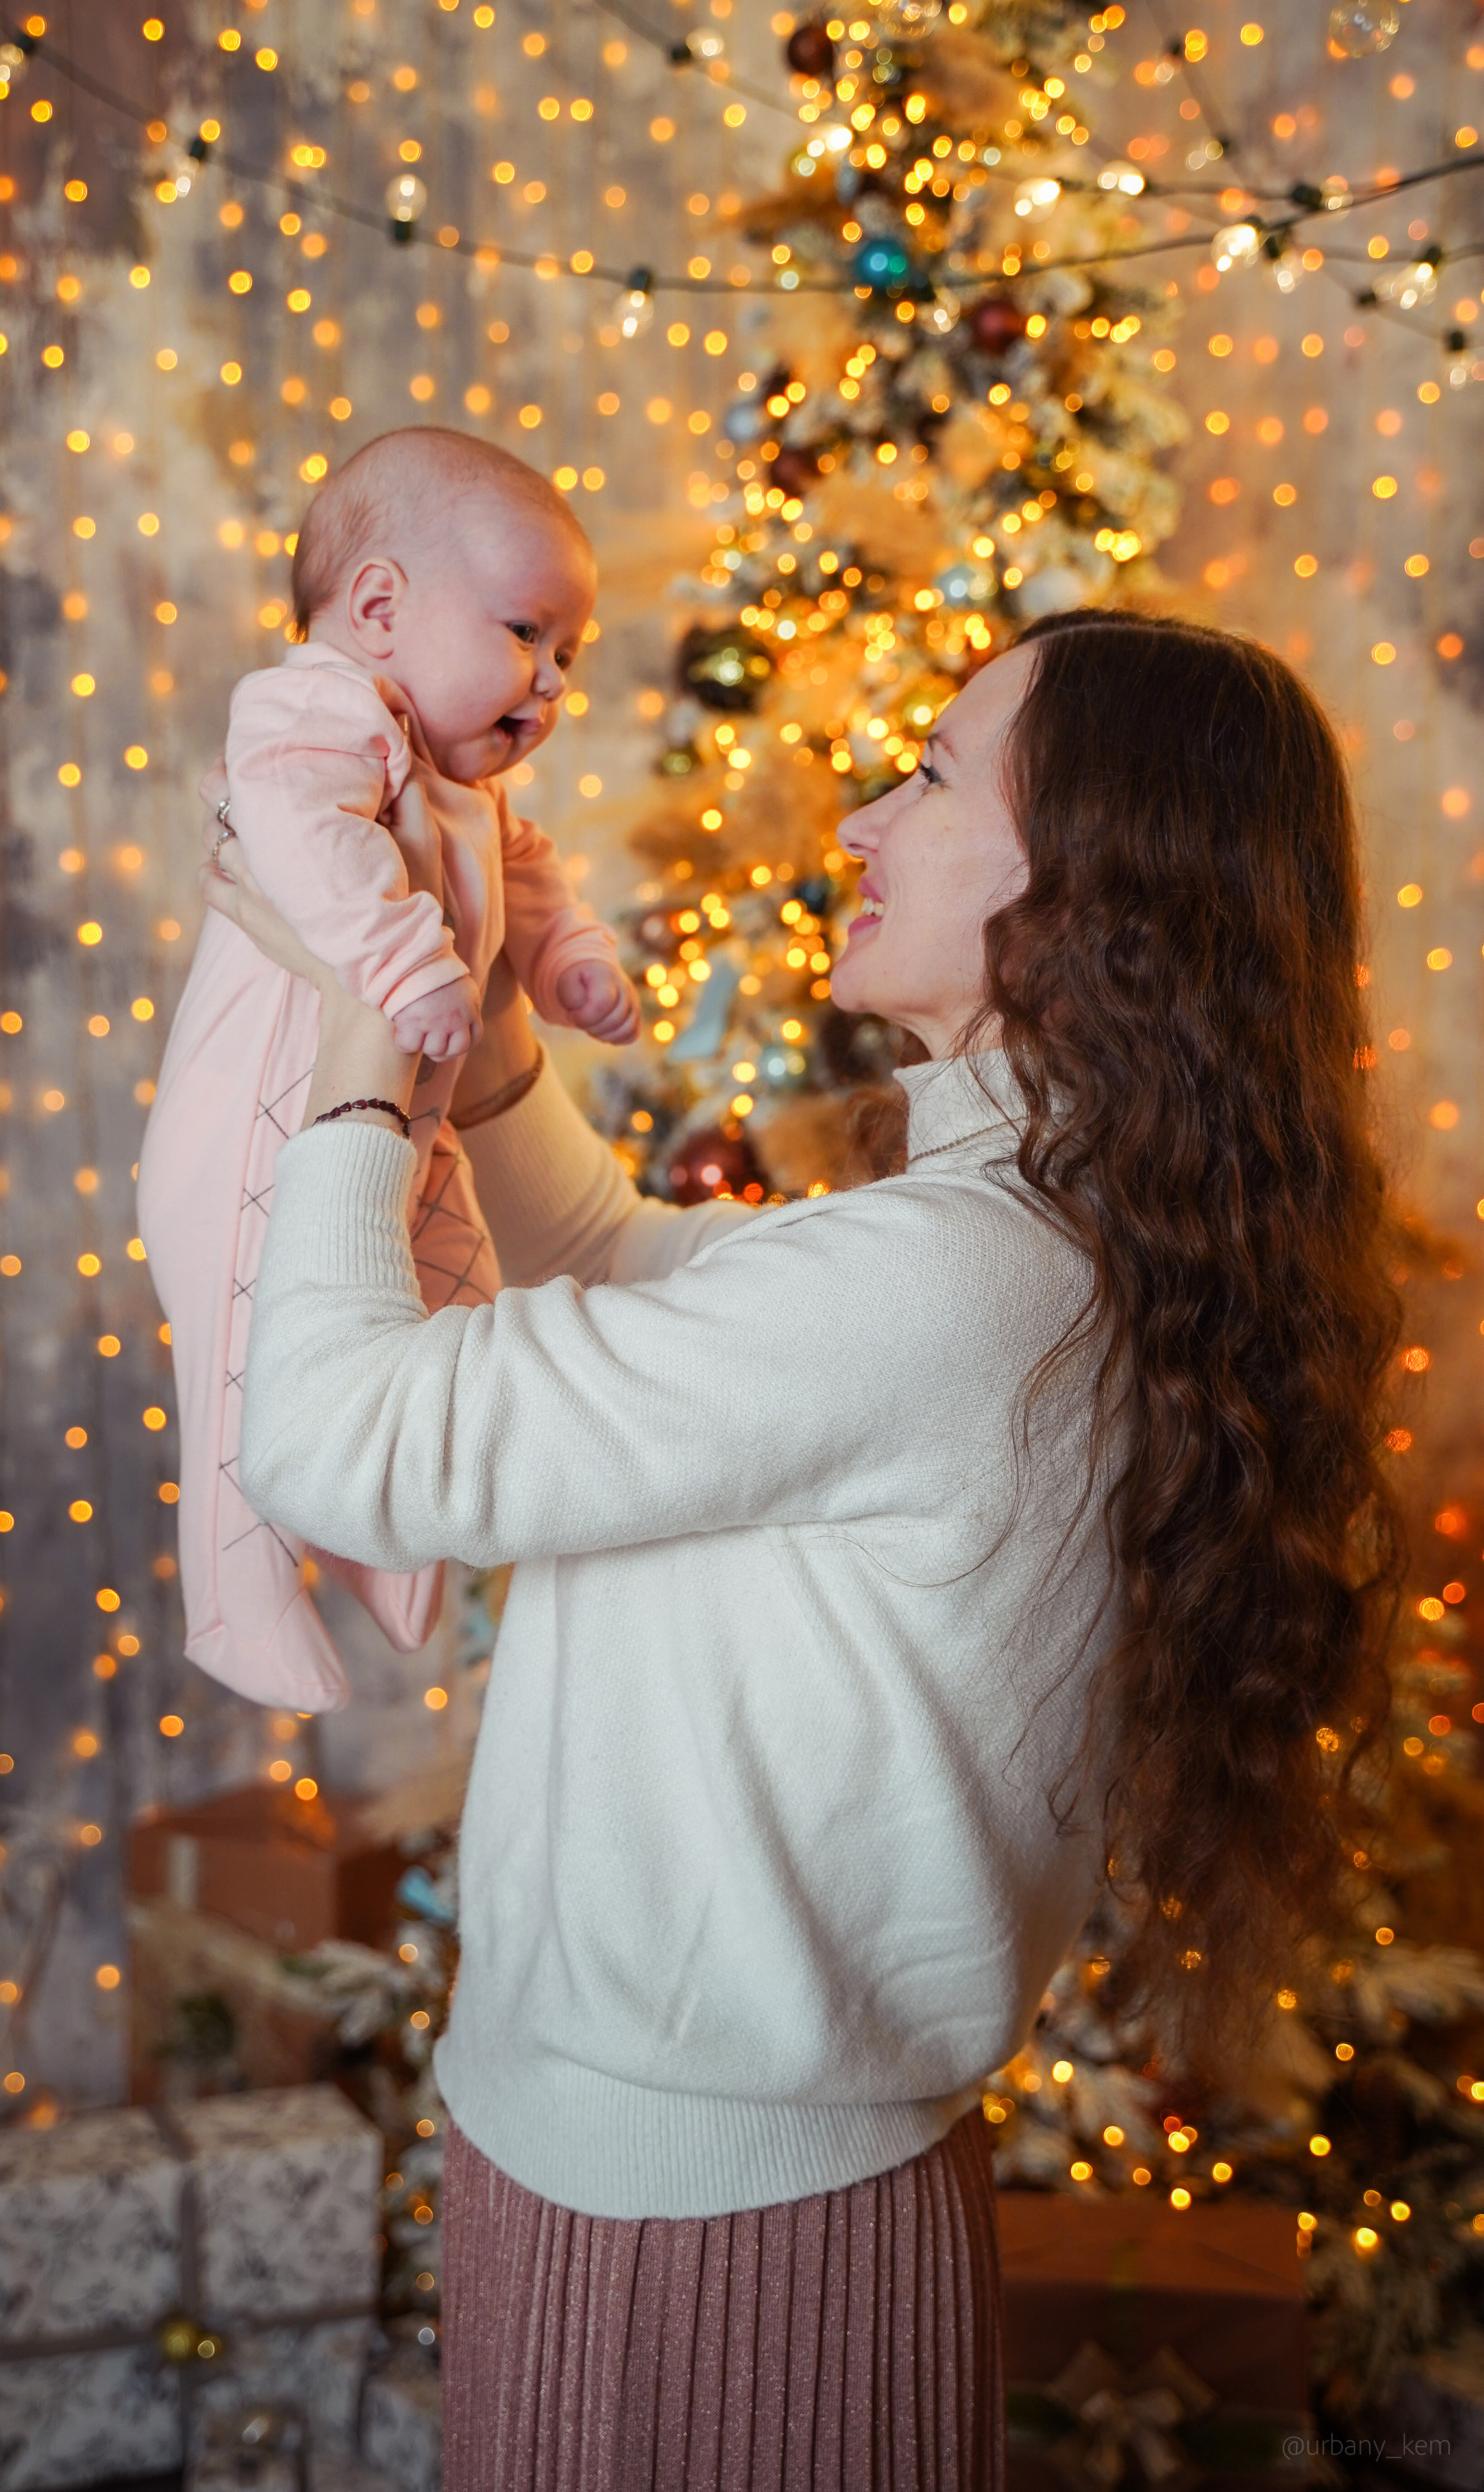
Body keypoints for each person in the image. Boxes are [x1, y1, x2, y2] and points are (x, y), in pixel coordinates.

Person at [200, 611, 1400, 2489]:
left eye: (924, 776)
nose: (856, 817)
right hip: (698, 2192)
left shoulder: (960, 1275)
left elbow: (341, 1446)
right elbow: (620, 1275)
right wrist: (493, 1025)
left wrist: (365, 1047)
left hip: (702, 2240)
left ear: (1082, 877)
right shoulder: (1023, 1231)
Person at [137, 429, 638, 1713]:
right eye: (528, 633)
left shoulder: (464, 782)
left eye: (568, 656)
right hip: (260, 1124)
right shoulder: (318, 710)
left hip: (402, 1124)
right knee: (249, 1361)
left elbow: (529, 878)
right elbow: (300, 835)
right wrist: (399, 961)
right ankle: (230, 1589)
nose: (551, 682)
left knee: (450, 1297)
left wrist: (566, 956)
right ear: (376, 610)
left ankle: (383, 1533)